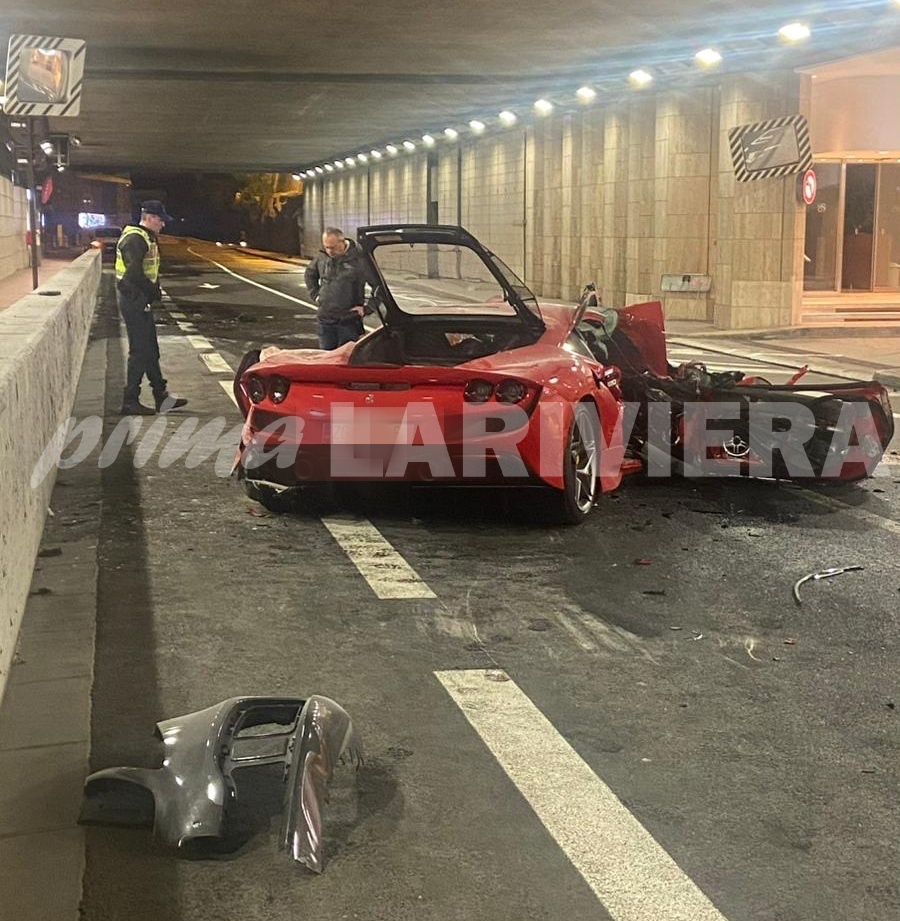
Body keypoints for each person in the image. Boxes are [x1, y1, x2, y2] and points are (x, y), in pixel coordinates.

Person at [114, 200, 188, 415]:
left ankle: (160, 396)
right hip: (133, 300)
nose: (163, 224)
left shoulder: (145, 237)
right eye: (161, 220)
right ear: (149, 217)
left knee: (150, 350)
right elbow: (132, 274)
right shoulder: (135, 239)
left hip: (139, 299)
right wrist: (152, 290)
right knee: (139, 351)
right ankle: (130, 400)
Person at [304, 227, 376, 349]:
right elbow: (310, 274)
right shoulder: (322, 257)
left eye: (333, 247)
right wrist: (316, 295)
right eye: (326, 247)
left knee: (345, 359)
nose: (329, 251)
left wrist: (367, 308)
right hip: (325, 319)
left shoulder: (359, 259)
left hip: (348, 321)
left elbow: (377, 286)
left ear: (342, 242)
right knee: (326, 359)